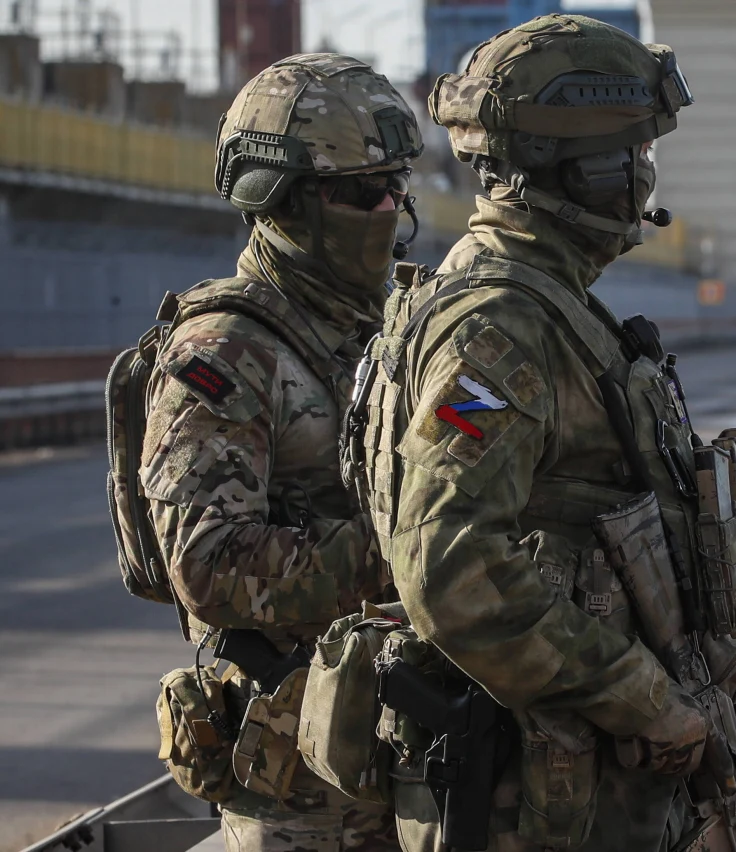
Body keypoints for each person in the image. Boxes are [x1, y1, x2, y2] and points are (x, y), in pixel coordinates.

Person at [350, 15, 736, 851]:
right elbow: (450, 565)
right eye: (637, 155)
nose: (647, 178)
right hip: (544, 803)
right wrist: (637, 694)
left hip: (589, 790)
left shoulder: (547, 304)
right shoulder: (499, 331)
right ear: (588, 170)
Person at [139, 52, 422, 850]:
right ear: (285, 199)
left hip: (417, 757)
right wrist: (415, 557)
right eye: (364, 192)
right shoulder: (224, 354)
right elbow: (210, 564)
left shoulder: (394, 328)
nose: (391, 208)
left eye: (397, 186)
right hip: (306, 789)